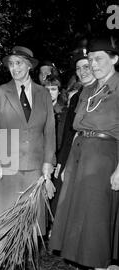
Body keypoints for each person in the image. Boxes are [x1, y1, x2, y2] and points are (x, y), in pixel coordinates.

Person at [50, 38, 119, 270]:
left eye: (99, 58)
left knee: (97, 224)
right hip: (81, 157)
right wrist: (67, 165)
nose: (93, 64)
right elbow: (75, 132)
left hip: (104, 157)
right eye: (90, 60)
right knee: (82, 220)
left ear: (114, 59)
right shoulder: (88, 91)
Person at [0, 46, 56, 270]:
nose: (14, 68)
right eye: (11, 64)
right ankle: (2, 261)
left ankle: (24, 258)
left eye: (19, 63)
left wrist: (48, 164)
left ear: (30, 66)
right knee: (5, 213)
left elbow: (50, 131)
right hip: (8, 163)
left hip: (34, 163)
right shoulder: (1, 93)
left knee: (30, 215)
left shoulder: (43, 94)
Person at [51, 49, 96, 214]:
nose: (82, 72)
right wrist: (61, 163)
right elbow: (69, 133)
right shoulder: (76, 98)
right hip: (73, 155)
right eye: (78, 68)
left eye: (86, 66)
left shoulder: (108, 92)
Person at [44, 75, 68, 155]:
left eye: (53, 89)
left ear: (59, 91)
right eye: (47, 89)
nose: (49, 92)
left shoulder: (65, 113)